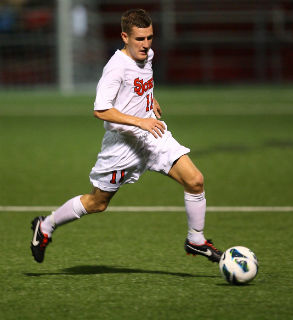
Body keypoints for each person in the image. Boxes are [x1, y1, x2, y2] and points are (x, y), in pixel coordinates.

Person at [30, 8, 222, 264]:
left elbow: (140, 84)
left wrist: (150, 100)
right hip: (123, 146)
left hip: (152, 135)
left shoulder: (148, 55)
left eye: (149, 37)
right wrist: (138, 120)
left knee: (195, 180)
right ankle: (46, 226)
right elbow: (100, 110)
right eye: (139, 39)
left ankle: (195, 240)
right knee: (97, 203)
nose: (145, 45)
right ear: (124, 37)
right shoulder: (115, 68)